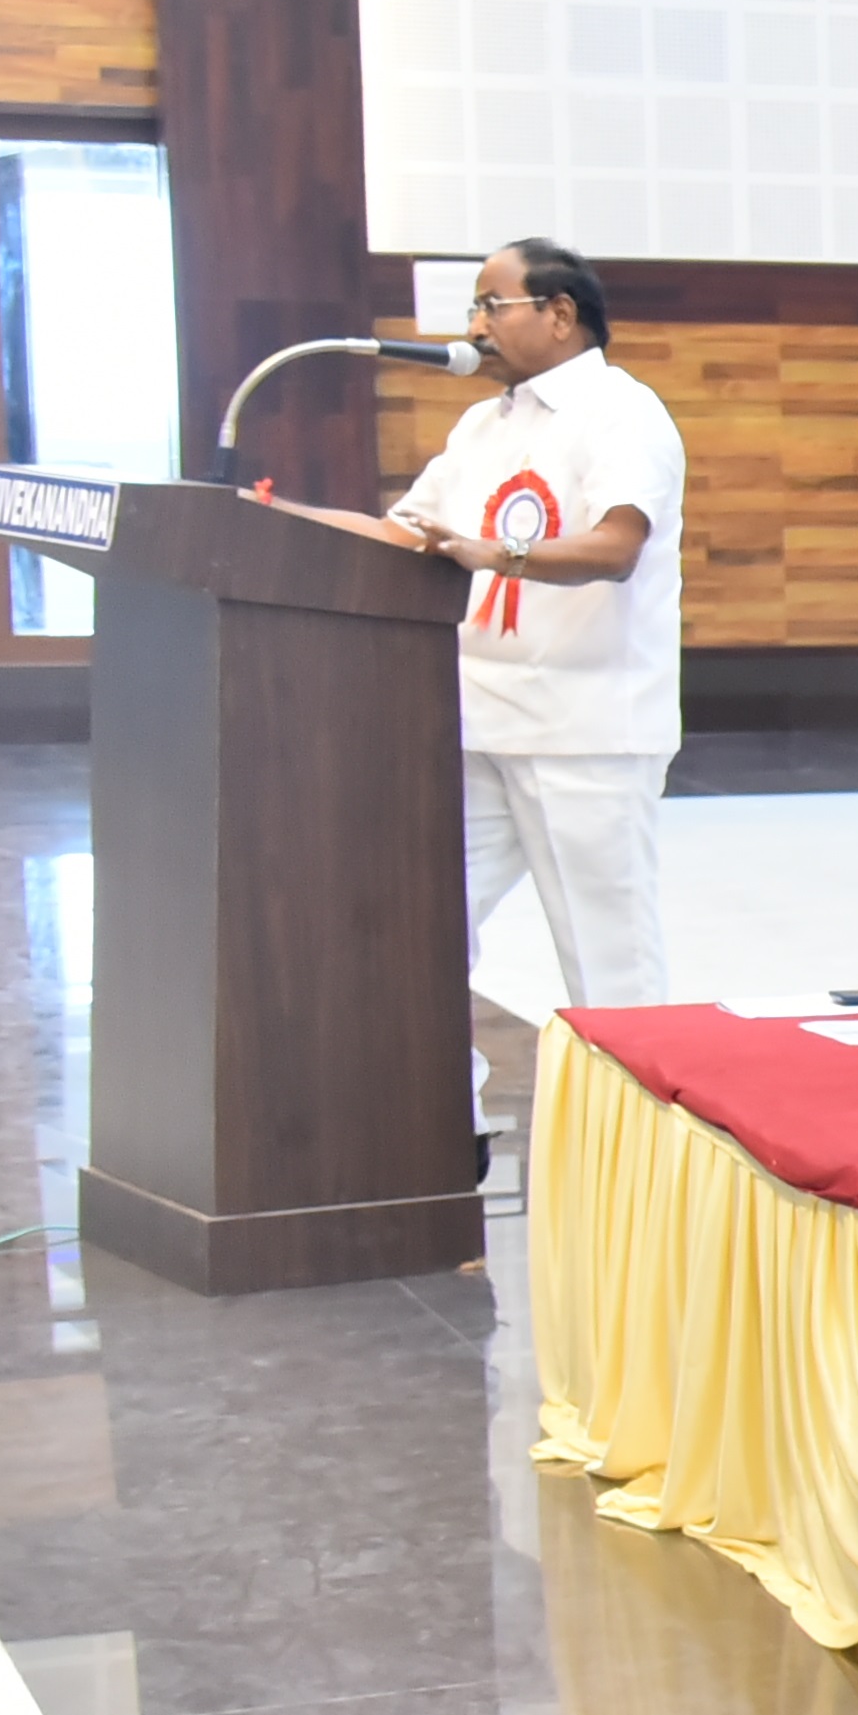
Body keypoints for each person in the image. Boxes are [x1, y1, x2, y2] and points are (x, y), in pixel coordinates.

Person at [285, 238, 686, 1137]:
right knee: (418, 924)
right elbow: (406, 536)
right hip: (476, 726)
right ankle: (443, 1123)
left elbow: (617, 547)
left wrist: (496, 552)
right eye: (473, 306)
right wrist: (277, 518)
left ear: (559, 314)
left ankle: (643, 1145)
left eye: (490, 305)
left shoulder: (623, 413)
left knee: (607, 958)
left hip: (586, 732)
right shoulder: (483, 427)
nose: (473, 325)